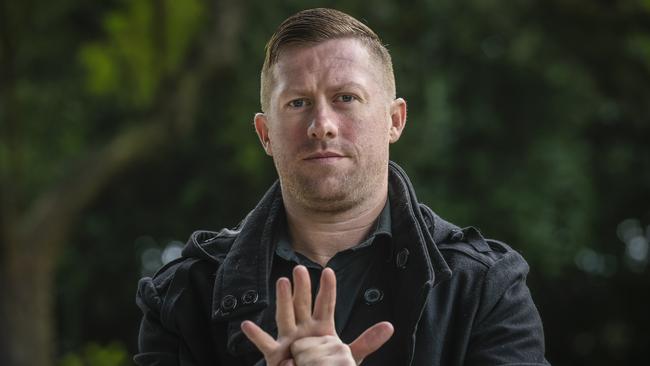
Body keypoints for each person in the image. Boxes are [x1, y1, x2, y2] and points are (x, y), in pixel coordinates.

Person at [135, 8, 549, 366]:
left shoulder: (484, 286)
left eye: (346, 98)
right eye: (297, 103)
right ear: (265, 134)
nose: (322, 126)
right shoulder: (184, 294)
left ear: (394, 121)